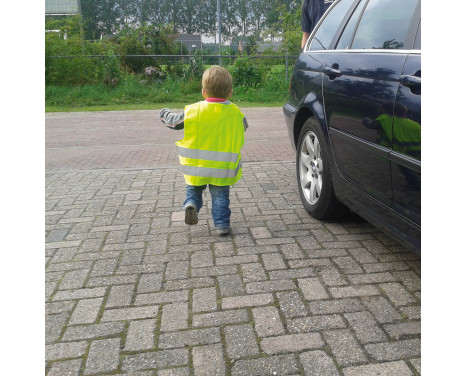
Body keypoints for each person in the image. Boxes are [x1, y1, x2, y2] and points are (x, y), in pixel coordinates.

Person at [159, 66, 249, 235]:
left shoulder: (193, 111)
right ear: (230, 92)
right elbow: (243, 128)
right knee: (220, 197)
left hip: (196, 166)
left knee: (193, 190)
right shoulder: (236, 113)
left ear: (203, 92)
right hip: (222, 169)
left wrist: (164, 113)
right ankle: (222, 225)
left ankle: (191, 204)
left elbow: (173, 123)